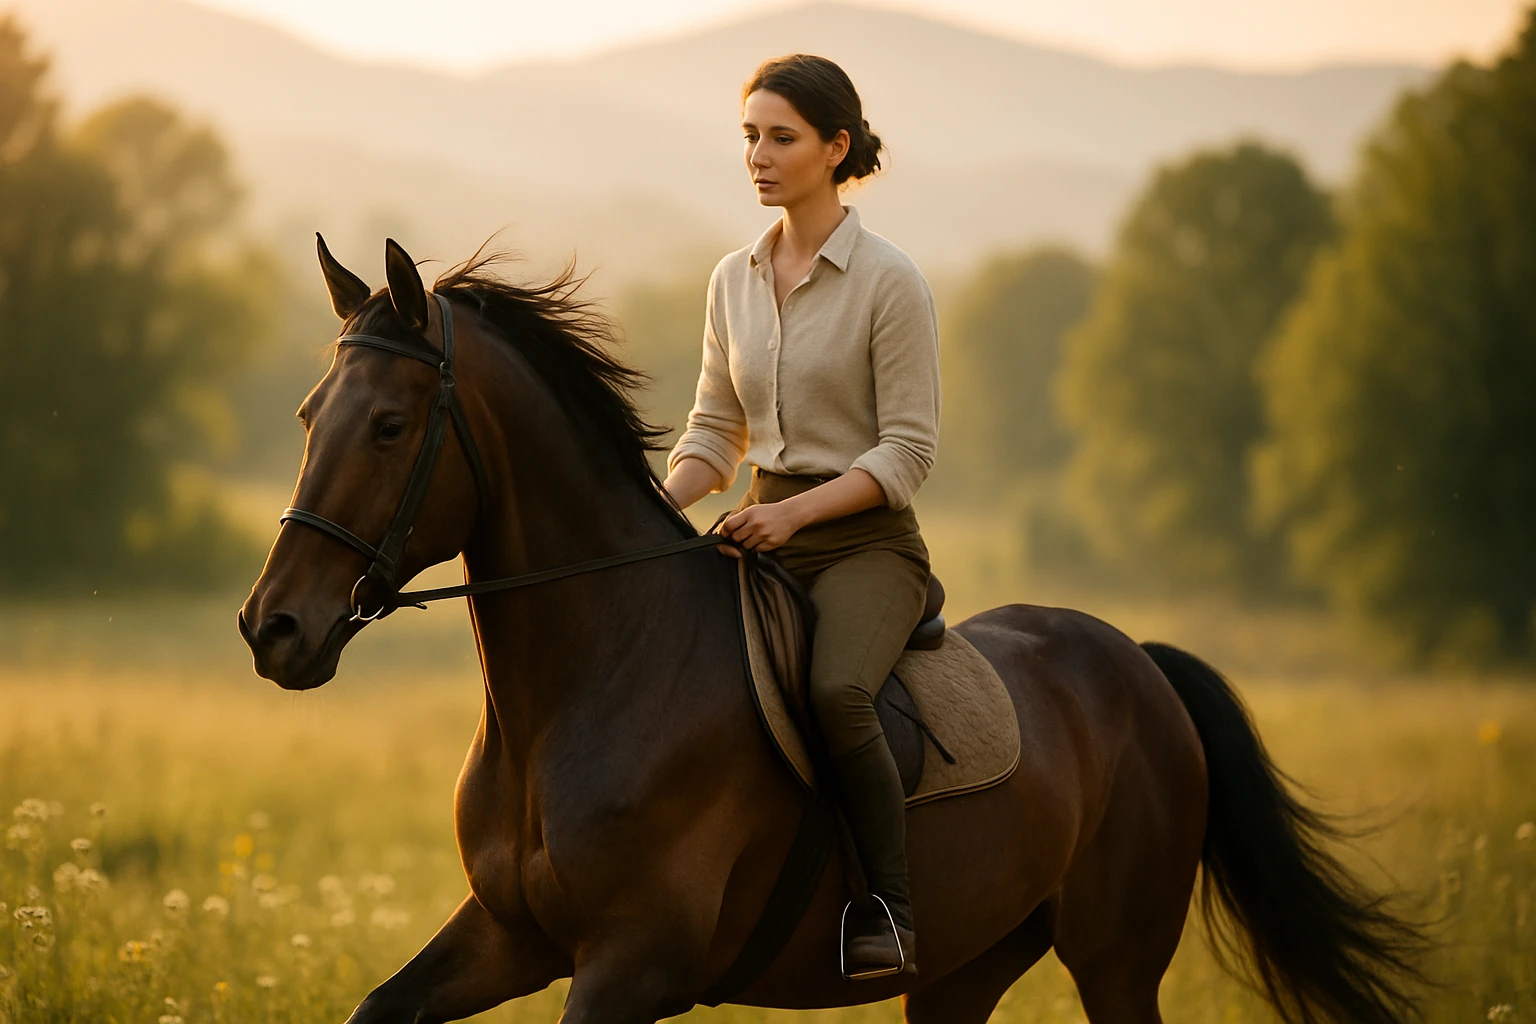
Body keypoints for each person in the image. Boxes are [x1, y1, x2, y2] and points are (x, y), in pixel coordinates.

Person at [660, 52, 941, 980]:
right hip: (757, 532)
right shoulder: (730, 280)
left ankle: (890, 916)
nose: (759, 156)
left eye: (781, 137)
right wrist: (652, 516)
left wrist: (793, 519)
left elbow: (907, 452)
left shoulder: (889, 280)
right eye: (749, 136)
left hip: (864, 545)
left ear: (836, 147)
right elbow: (713, 431)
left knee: (835, 694)